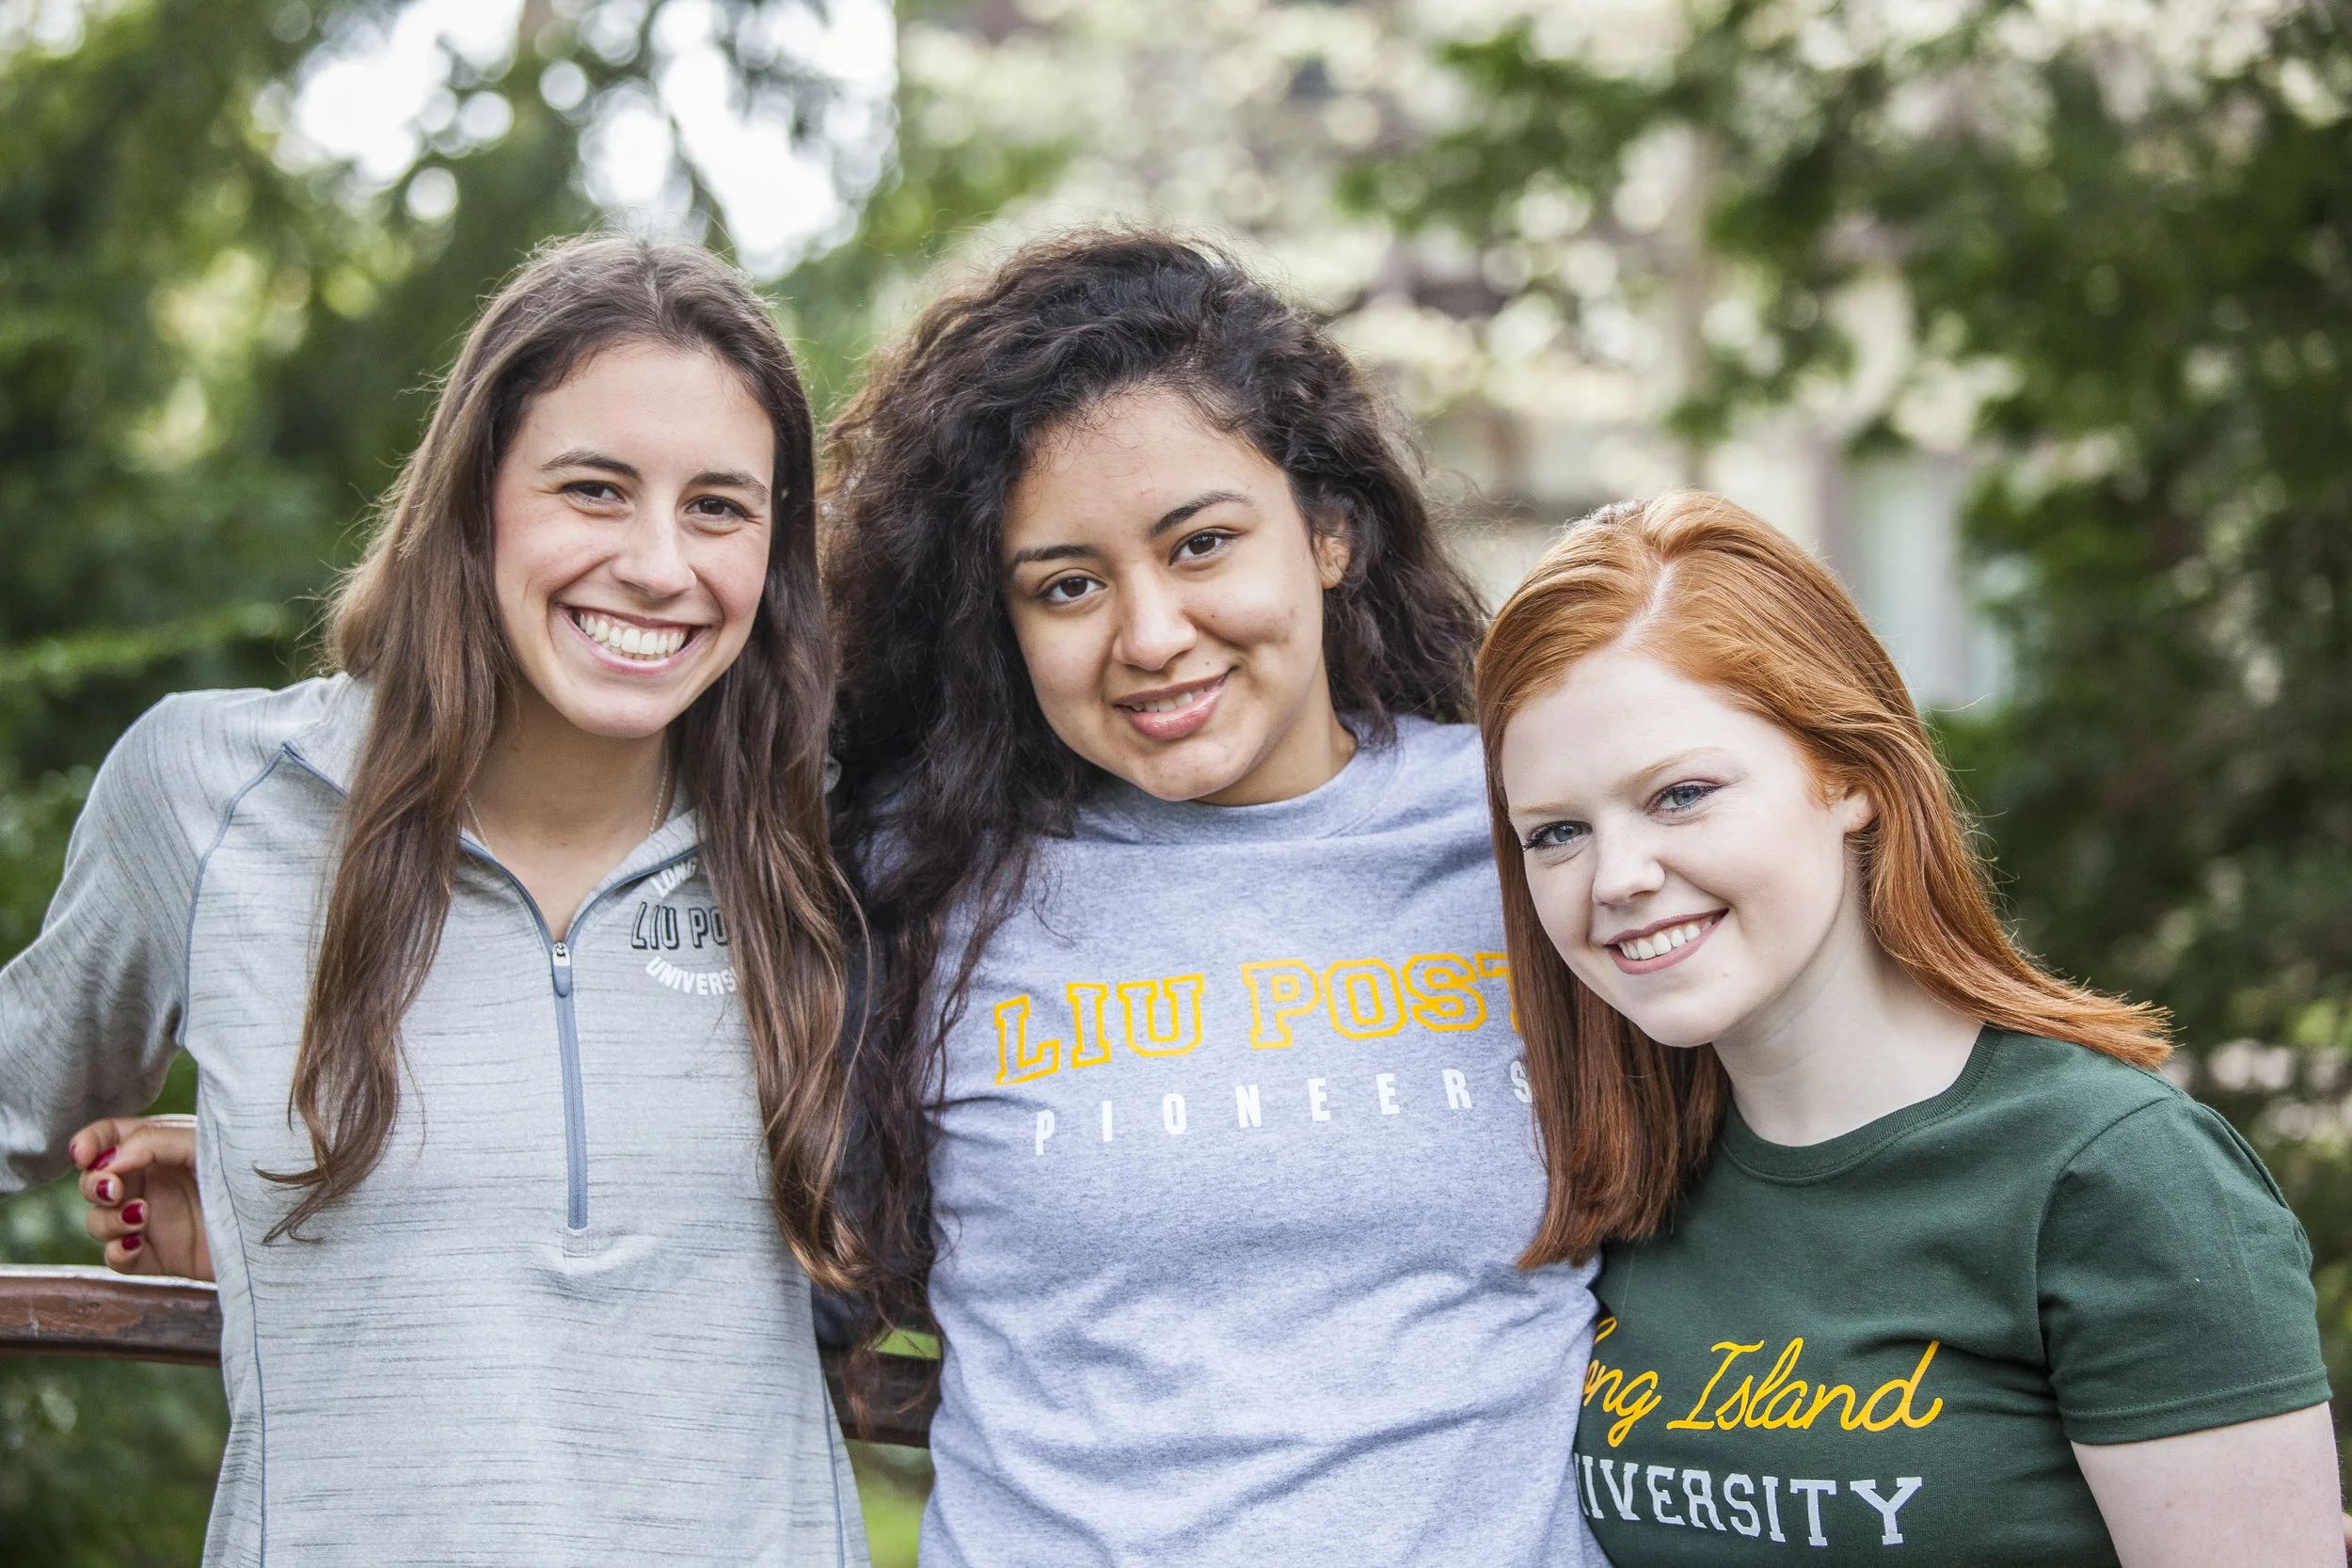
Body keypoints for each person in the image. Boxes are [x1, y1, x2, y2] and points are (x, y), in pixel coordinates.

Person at [3, 235, 870, 1566]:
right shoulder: (211, 794)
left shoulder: (826, 835)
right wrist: (273, 1180)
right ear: (474, 500)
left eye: (719, 506)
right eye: (594, 488)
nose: (657, 563)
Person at [814, 230, 1601, 1565]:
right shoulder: (912, 885)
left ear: (1331, 531)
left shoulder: (1536, 829)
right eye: (1067, 583)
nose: (1151, 633)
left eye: (1201, 543)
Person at [1477, 490, 2341, 1565]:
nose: (1618, 878)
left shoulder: (2115, 1177)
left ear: (1848, 775)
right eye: (1555, 831)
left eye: (1681, 794)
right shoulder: (1618, 1180)